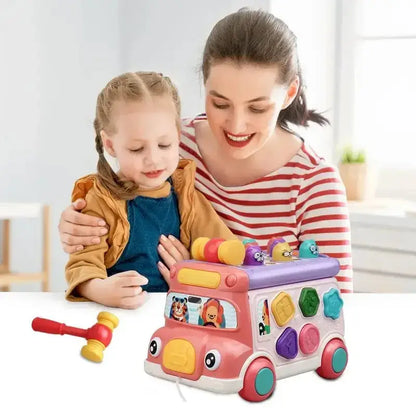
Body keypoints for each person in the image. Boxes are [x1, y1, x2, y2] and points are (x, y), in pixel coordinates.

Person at [59, 9, 352, 293]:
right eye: (220, 104)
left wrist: (204, 275)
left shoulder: (314, 183)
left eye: (257, 107)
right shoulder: (171, 146)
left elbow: (333, 306)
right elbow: (113, 208)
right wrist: (78, 227)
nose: (236, 125)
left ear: (289, 93)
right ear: (204, 85)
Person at [65, 71, 235, 309]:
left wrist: (194, 271)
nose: (153, 160)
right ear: (110, 145)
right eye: (136, 149)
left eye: (164, 145)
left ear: (177, 136)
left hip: (177, 315)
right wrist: (100, 290)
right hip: (117, 316)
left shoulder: (187, 197)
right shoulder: (101, 200)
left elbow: (225, 251)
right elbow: (82, 264)